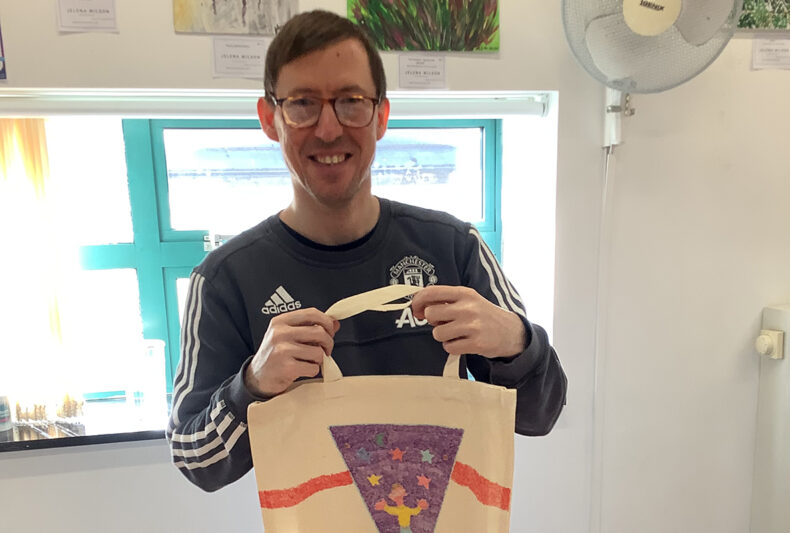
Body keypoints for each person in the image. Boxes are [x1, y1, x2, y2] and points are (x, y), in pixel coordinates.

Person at [167, 9, 567, 493]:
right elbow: (194, 459)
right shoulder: (227, 277)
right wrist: (249, 385)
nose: (329, 129)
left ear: (381, 116)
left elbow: (543, 413)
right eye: (303, 104)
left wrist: (517, 342)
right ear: (270, 119)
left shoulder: (453, 248)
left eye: (351, 101)